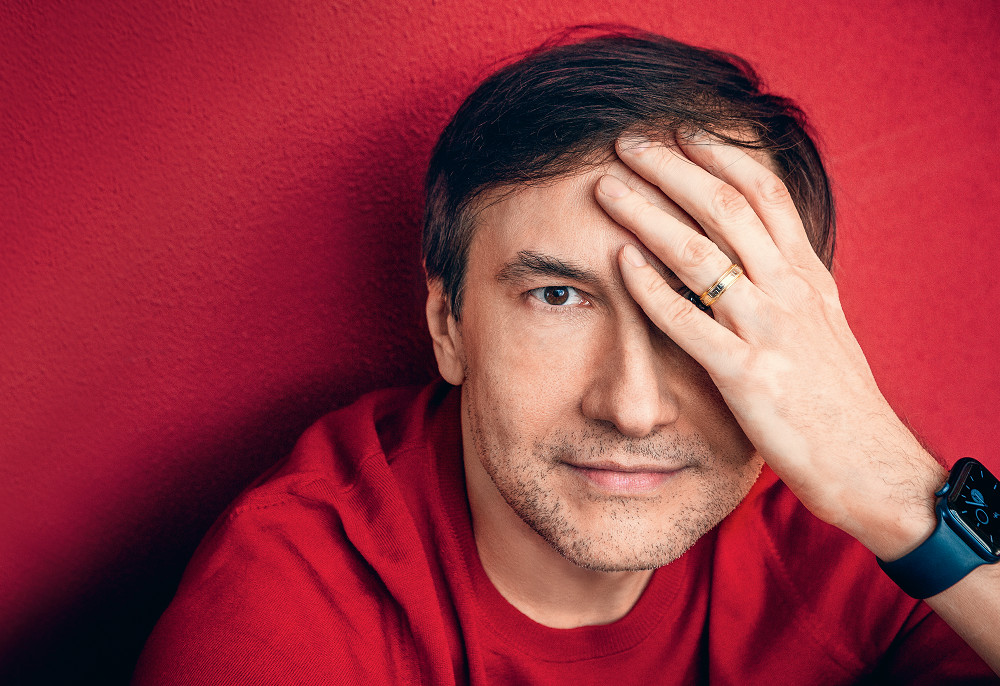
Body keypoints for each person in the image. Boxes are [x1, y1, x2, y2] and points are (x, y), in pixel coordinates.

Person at [133, 29, 1000, 684]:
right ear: (447, 324)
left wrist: (901, 496)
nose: (633, 407)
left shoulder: (870, 534)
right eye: (558, 296)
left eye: (700, 304)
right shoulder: (286, 612)